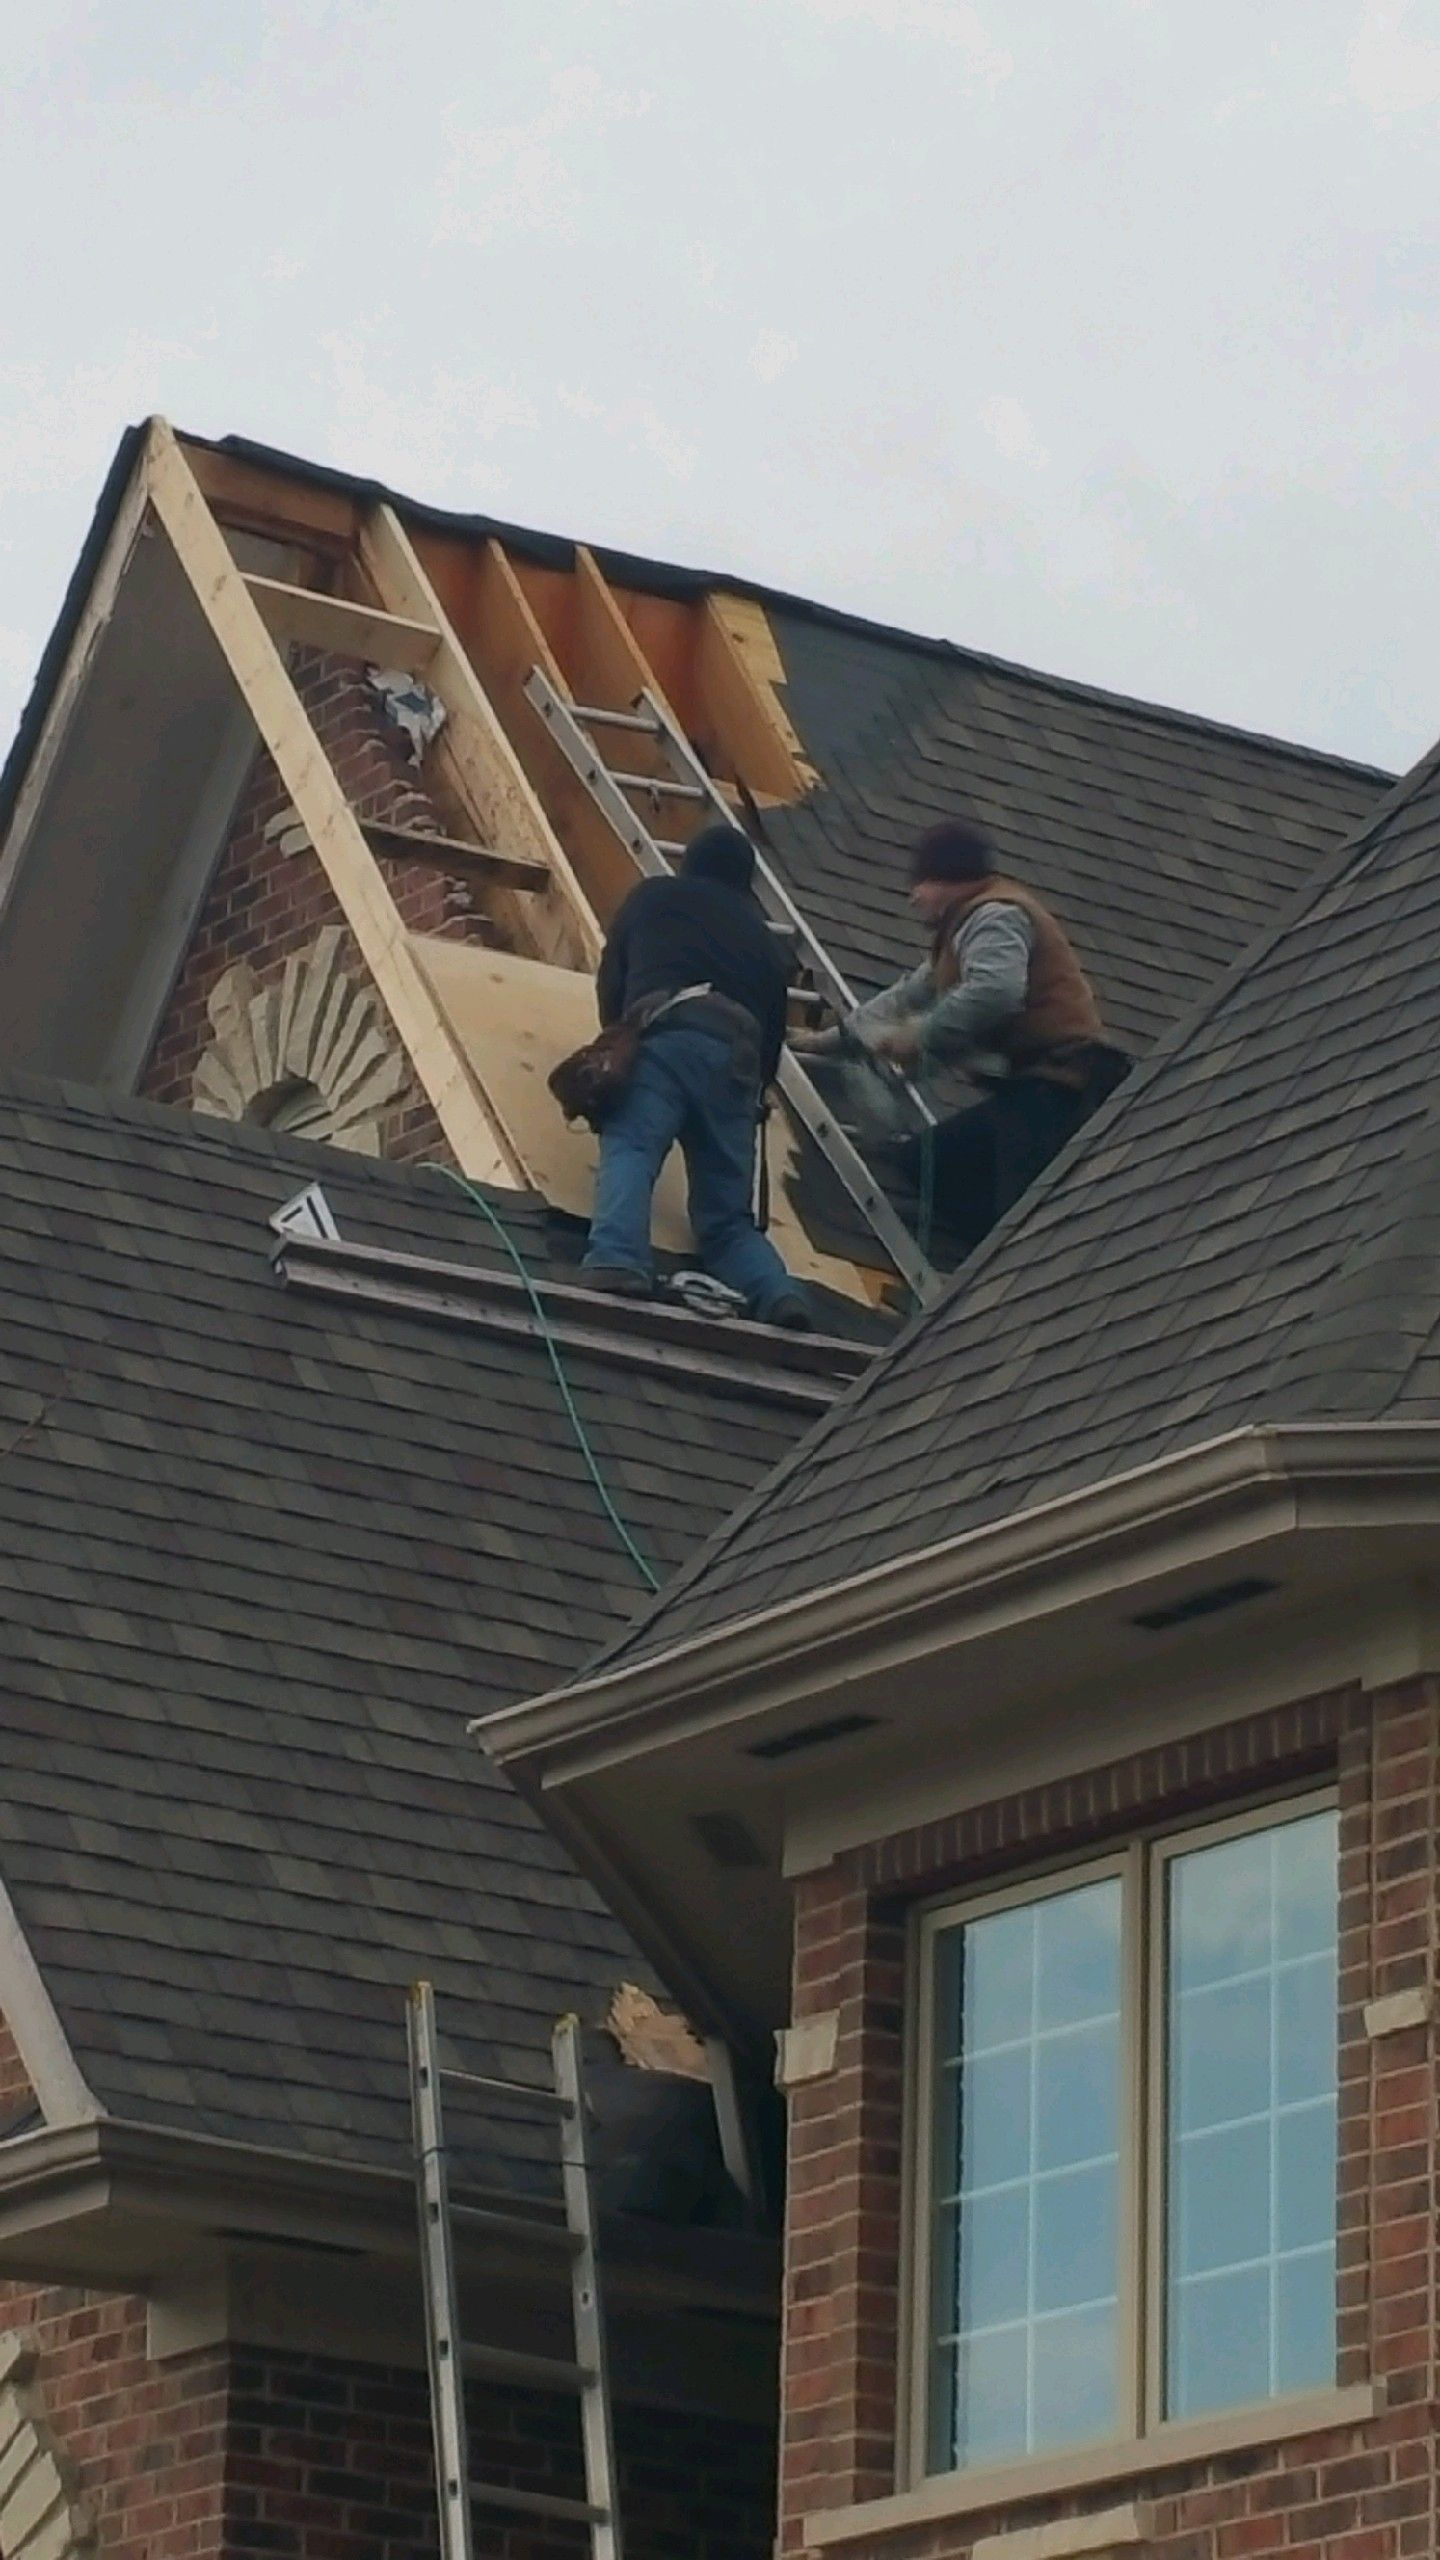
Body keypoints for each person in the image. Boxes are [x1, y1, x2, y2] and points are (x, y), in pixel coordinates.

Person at [794, 816, 1125, 1254]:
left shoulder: (995, 915)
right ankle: (981, 1259)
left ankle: (1001, 1274)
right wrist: (828, 1041)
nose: (914, 899)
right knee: (921, 1163)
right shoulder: (964, 933)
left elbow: (996, 991)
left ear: (946, 880)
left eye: (920, 884)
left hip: (1058, 1092)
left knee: (1017, 1222)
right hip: (1030, 1091)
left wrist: (921, 1035)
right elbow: (905, 996)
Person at [581, 825, 811, 1329]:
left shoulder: (653, 898)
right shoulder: (761, 937)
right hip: (737, 1063)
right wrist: (749, 1099)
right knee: (727, 1218)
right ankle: (775, 1292)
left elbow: (611, 980)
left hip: (665, 1037)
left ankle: (618, 1260)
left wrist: (617, 1043)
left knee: (633, 1149)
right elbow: (773, 1035)